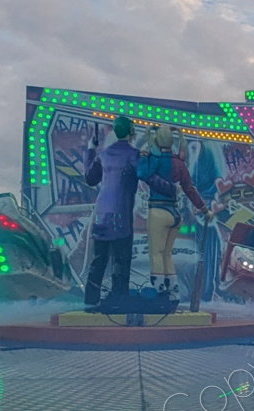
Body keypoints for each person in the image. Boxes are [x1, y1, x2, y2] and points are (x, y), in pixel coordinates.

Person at [139, 124, 206, 302]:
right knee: (167, 254)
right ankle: (173, 291)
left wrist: (144, 155)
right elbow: (190, 189)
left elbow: (142, 173)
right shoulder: (180, 163)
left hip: (158, 210)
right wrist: (204, 209)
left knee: (156, 253)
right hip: (175, 214)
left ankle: (159, 291)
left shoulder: (155, 159)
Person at [83, 115, 140, 307]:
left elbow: (90, 178)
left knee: (98, 261)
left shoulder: (103, 154)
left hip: (101, 215)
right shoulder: (134, 155)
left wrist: (90, 149)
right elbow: (146, 175)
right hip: (121, 216)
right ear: (131, 131)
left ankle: (90, 301)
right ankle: (118, 301)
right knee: (121, 262)